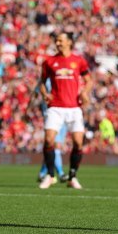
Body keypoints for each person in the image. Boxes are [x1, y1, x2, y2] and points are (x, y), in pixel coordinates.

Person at [38, 32, 92, 189]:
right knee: (49, 139)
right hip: (55, 107)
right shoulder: (49, 61)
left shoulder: (78, 61)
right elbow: (42, 82)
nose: (58, 43)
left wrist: (84, 92)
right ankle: (50, 175)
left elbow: (89, 80)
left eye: (61, 40)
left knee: (78, 143)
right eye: (56, 41)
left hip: (74, 107)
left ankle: (72, 176)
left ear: (69, 42)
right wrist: (44, 94)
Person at [37, 78, 69, 183]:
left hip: (63, 114)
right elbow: (38, 91)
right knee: (55, 146)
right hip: (52, 114)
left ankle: (42, 173)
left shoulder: (64, 76)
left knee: (52, 147)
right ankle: (60, 173)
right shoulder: (46, 79)